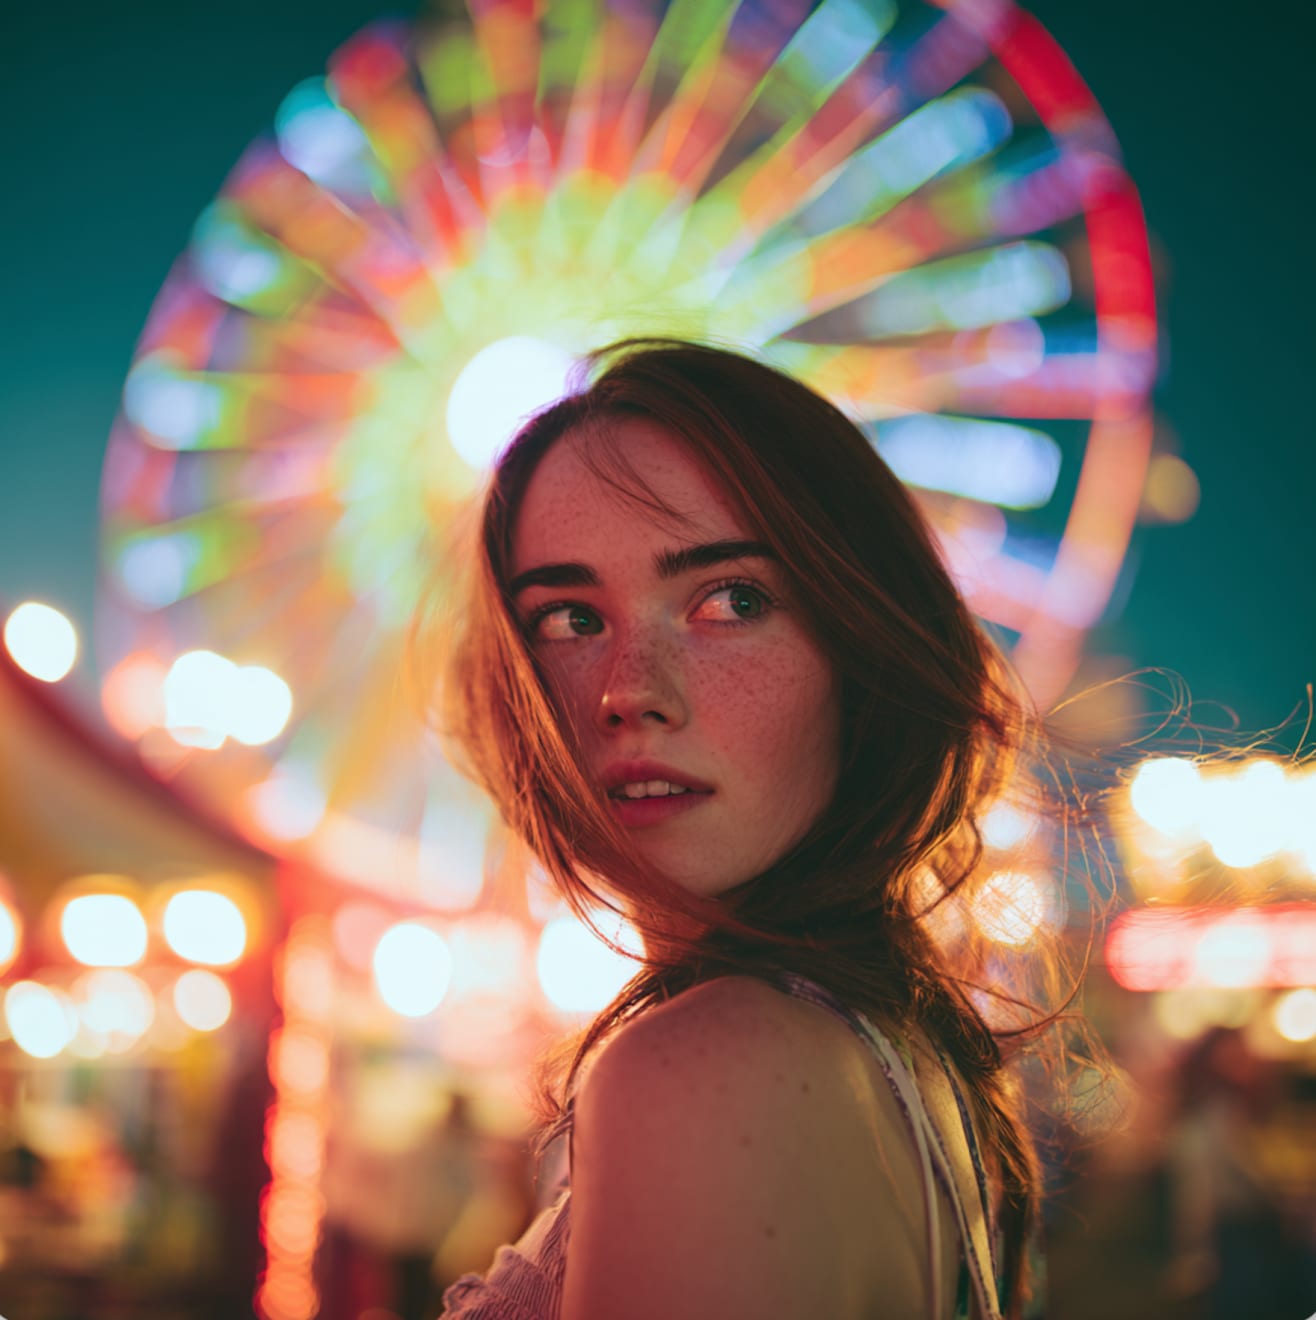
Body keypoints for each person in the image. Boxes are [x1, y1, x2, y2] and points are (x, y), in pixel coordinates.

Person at [427, 339, 1058, 1319]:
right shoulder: (894, 1059)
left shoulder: (704, 1074)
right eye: (566, 619)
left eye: (730, 601)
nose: (629, 693)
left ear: (862, 645)